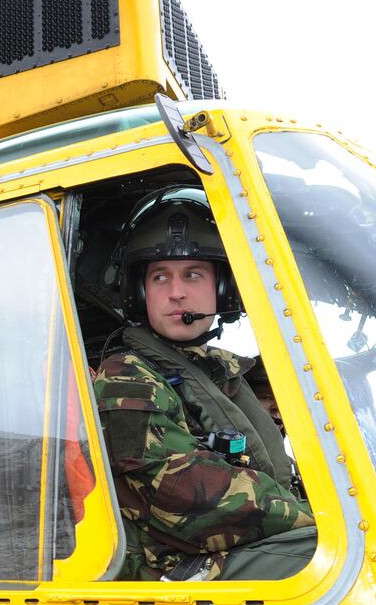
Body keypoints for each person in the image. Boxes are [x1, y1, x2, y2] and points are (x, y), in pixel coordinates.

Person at [94, 187, 315, 581]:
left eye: (193, 274)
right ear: (140, 293)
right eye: (160, 277)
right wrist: (319, 519)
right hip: (175, 568)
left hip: (244, 545)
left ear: (223, 288)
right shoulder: (126, 377)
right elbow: (179, 494)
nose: (177, 292)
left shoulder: (224, 373)